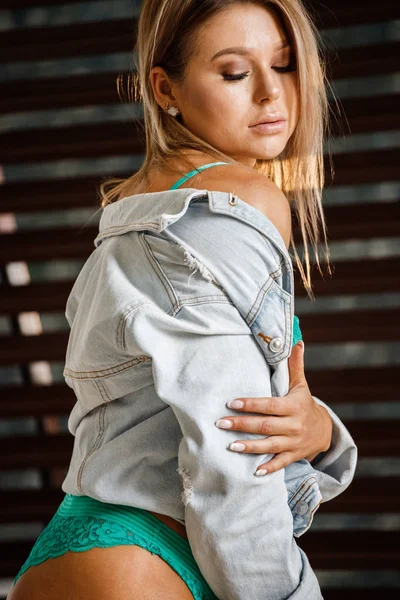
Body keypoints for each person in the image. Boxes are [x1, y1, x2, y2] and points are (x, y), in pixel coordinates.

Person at [8, 1, 357, 599]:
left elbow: (203, 410)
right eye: (234, 72)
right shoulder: (237, 203)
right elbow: (233, 460)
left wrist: (321, 430)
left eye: (286, 63)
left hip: (97, 543)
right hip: (152, 562)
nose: (273, 94)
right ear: (165, 88)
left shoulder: (136, 207)